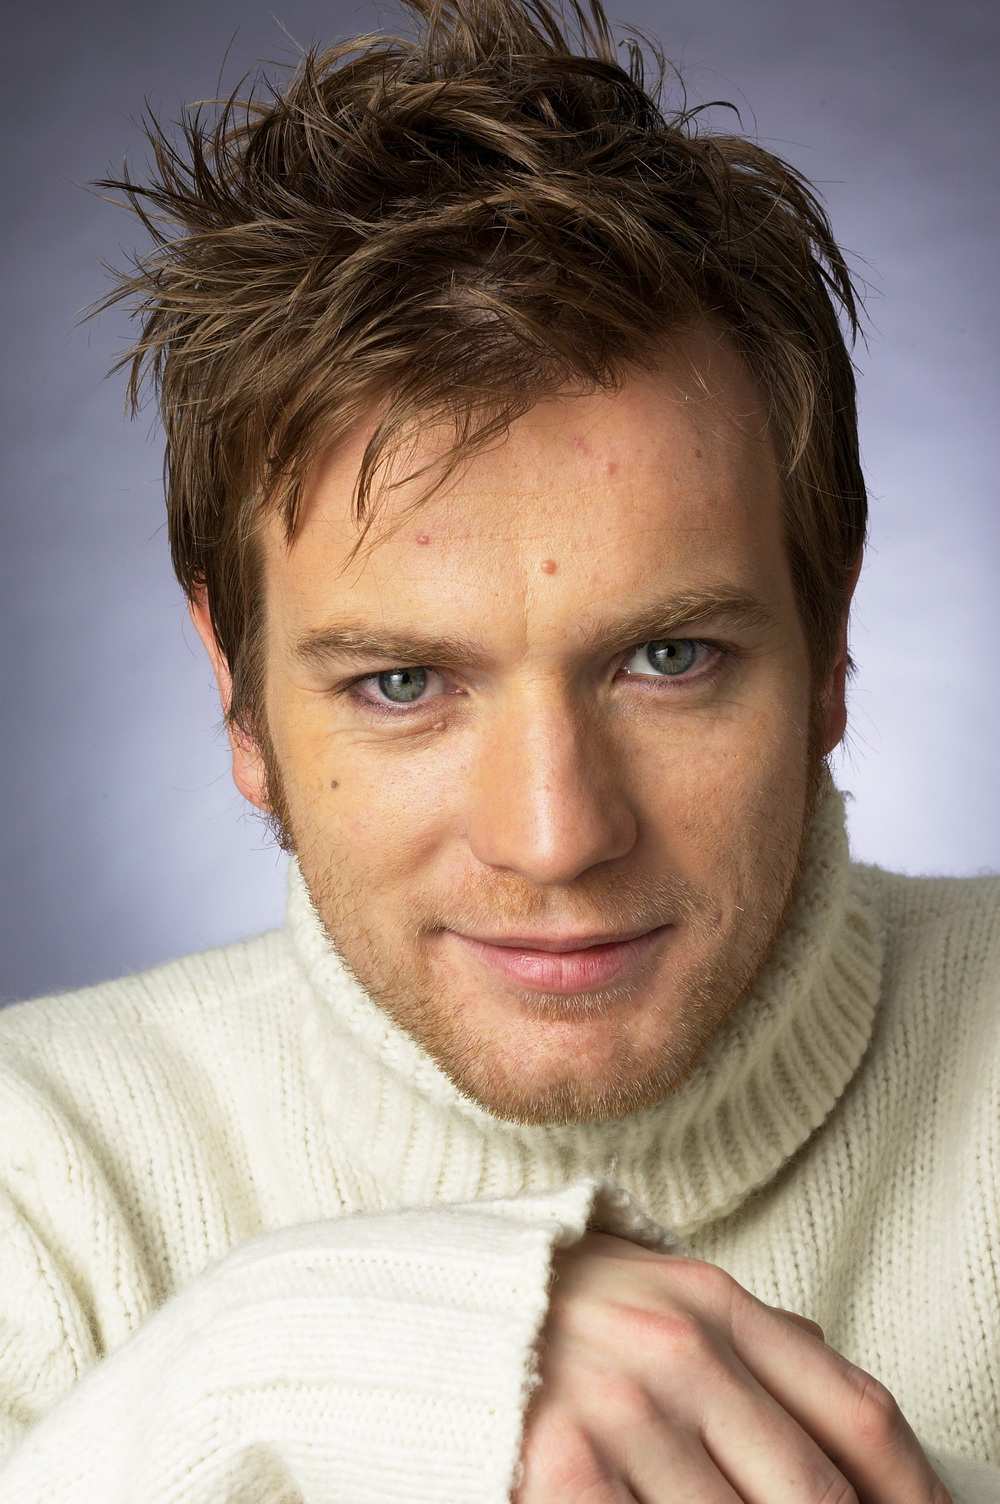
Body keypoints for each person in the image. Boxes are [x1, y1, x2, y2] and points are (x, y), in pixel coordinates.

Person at [0, 0, 996, 1497]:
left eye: (670, 659)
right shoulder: (37, 1181)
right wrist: (288, 1365)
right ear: (237, 694)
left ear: (831, 644)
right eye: (403, 682)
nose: (555, 835)